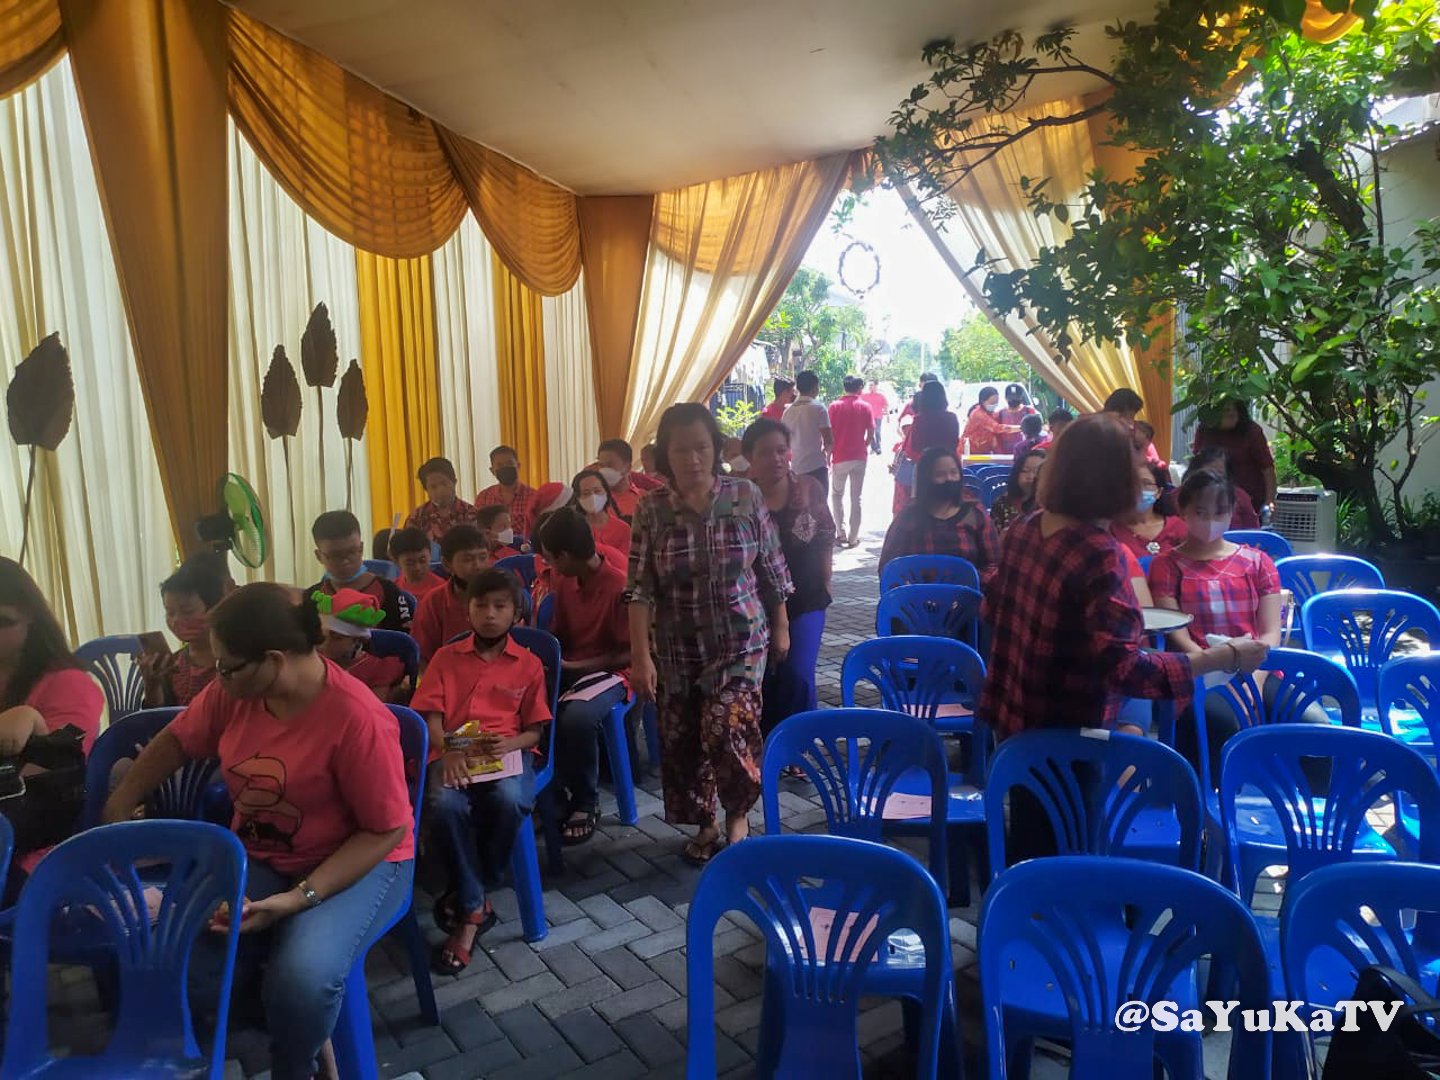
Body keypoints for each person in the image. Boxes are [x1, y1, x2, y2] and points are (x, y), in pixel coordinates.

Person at [104, 583, 414, 1080]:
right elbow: (178, 739)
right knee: (185, 964)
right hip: (265, 855)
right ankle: (304, 1032)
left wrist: (295, 900)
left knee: (303, 980)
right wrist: (121, 799)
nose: (217, 677)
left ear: (273, 660)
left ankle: (295, 1064)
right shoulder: (236, 693)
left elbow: (385, 829)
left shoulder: (358, 719)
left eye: (227, 667)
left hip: (363, 863)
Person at [979, 415, 1268, 862]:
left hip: (1018, 725)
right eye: (1134, 468)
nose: (1143, 478)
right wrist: (1223, 656)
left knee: (1031, 848)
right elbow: (1125, 667)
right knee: (1072, 854)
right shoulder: (1098, 552)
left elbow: (997, 611)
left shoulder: (1027, 527)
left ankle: (1019, 904)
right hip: (1071, 737)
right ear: (1110, 479)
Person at [627, 403, 793, 865]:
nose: (693, 459)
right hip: (676, 649)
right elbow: (639, 588)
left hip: (741, 642)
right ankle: (705, 822)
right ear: (666, 455)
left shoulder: (744, 495)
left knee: (725, 724)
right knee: (682, 739)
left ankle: (738, 814)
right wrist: (640, 657)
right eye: (681, 450)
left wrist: (781, 625)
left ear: (716, 448)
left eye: (701, 447)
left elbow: (772, 567)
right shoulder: (651, 509)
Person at [413, 568, 549, 972]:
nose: (490, 614)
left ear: (516, 614)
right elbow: (431, 718)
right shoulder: (445, 658)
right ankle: (475, 906)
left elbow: (535, 731)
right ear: (467, 609)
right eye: (481, 605)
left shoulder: (529, 664)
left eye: (500, 606)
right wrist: (449, 749)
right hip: (452, 749)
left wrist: (511, 744)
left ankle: (472, 887)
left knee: (510, 799)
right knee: (444, 804)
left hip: (506, 751)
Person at [1148, 468, 1301, 778]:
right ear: (1183, 511)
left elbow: (1270, 633)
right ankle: (1216, 800)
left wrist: (1254, 679)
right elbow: (1178, 636)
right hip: (1199, 673)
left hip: (1259, 668)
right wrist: (1212, 664)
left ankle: (1316, 801)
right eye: (1200, 512)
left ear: (1232, 512)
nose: (1210, 520)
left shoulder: (1258, 562)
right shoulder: (1166, 564)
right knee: (1226, 725)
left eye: (1219, 512)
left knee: (1312, 724)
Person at [537, 510, 631, 846]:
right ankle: (551, 791)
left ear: (564, 556)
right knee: (527, 703)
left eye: (550, 558)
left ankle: (586, 801)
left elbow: (630, 653)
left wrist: (577, 667)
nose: (549, 565)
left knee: (576, 717)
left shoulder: (619, 585)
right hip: (574, 667)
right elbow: (558, 635)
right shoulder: (565, 583)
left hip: (615, 673)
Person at [741, 419, 835, 735]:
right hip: (754, 604)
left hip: (806, 597)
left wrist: (826, 577)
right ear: (750, 457)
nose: (777, 459)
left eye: (782, 451)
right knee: (764, 676)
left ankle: (800, 742)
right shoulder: (738, 498)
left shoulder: (808, 489)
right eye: (766, 453)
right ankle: (770, 742)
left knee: (798, 672)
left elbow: (826, 533)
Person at [879, 446, 1000, 575]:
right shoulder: (909, 517)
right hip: (919, 588)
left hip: (969, 588)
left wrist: (974, 581)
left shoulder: (975, 515)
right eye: (940, 474)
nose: (949, 479)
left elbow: (994, 564)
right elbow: (888, 567)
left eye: (954, 472)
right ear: (926, 479)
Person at [141, 552, 230, 707]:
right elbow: (156, 715)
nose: (176, 620)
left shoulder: (234, 662)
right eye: (170, 612)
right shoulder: (173, 665)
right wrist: (152, 684)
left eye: (187, 611)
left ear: (215, 609)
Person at [308, 511, 413, 633]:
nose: (345, 561)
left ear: (361, 548)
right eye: (335, 556)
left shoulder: (389, 592)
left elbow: (403, 640)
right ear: (319, 556)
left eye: (351, 552)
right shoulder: (311, 598)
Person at [412, 525, 491, 662]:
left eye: (483, 557)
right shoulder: (433, 603)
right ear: (447, 564)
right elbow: (422, 658)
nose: (478, 566)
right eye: (468, 559)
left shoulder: (503, 599)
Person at [314, 588, 407, 703]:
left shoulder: (377, 669)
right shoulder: (314, 661)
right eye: (323, 635)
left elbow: (375, 707)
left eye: (337, 638)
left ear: (358, 641)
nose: (326, 643)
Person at [1192, 398, 1276, 515]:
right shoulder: (1204, 430)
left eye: (1234, 409)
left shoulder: (1252, 431)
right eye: (1225, 410)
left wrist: (1269, 501)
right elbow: (1196, 464)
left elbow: (1267, 468)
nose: (1231, 413)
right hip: (1210, 501)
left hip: (1250, 503)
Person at [894, 379, 959, 515]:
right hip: (949, 465)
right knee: (948, 503)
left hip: (926, 467)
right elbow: (955, 443)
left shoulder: (920, 420)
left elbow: (915, 447)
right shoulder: (952, 418)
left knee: (923, 506)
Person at [828, 375, 875, 548]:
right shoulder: (865, 406)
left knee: (837, 495)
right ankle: (853, 538)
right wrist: (864, 444)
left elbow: (828, 432)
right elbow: (871, 432)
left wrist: (828, 453)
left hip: (840, 457)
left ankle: (841, 534)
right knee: (856, 498)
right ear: (859, 388)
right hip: (859, 457)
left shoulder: (834, 406)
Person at [1111, 463, 1188, 559]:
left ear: (1158, 492)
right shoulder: (1112, 528)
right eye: (1132, 483)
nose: (1138, 489)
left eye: (1146, 483)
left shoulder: (1177, 527)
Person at [405, 457, 477, 544]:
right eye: (433, 487)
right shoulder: (416, 518)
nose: (440, 490)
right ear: (426, 489)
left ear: (454, 482)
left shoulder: (472, 514)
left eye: (444, 483)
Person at [782, 369, 832, 491]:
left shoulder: (787, 412)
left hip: (796, 468)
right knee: (819, 501)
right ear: (815, 387)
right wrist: (828, 457)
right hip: (817, 466)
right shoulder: (819, 408)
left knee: (800, 502)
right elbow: (828, 440)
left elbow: (784, 441)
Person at [1189, 447, 1261, 528]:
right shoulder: (1182, 495)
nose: (1212, 479)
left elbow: (1254, 531)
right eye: (1207, 474)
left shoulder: (1240, 497)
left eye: (1218, 474)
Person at [475, 445, 536, 536]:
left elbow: (537, 531)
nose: (505, 468)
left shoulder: (533, 497)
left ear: (518, 466)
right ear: (492, 470)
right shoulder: (484, 498)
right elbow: (478, 530)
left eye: (509, 463)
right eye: (500, 465)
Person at [596, 438, 661, 519]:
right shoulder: (594, 500)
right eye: (601, 465)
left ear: (627, 468)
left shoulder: (645, 501)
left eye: (610, 465)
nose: (604, 471)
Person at [572, 469, 633, 555]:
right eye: (586, 493)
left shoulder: (623, 529)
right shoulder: (574, 529)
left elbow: (624, 561)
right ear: (578, 498)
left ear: (606, 493)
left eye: (597, 491)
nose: (593, 497)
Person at [989, 449, 1046, 534]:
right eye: (1025, 471)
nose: (1031, 476)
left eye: (1037, 471)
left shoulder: (1050, 507)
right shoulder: (1001, 504)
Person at [388, 526, 446, 600]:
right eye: (410, 563)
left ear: (430, 555)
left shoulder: (442, 589)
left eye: (423, 560)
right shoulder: (394, 589)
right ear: (396, 562)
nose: (417, 567)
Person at [960, 386, 1021, 455]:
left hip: (982, 451)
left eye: (996, 402)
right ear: (983, 401)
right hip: (968, 451)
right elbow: (997, 428)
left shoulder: (991, 414)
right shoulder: (978, 414)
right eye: (992, 402)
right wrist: (1022, 428)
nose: (994, 405)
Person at [995, 383, 1039, 454]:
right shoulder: (999, 414)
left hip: (1025, 453)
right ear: (1005, 398)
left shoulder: (1029, 411)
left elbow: (1036, 434)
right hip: (1005, 455)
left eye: (1016, 398)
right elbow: (996, 437)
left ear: (1021, 398)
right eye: (1011, 398)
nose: (1013, 400)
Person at [860, 379, 890, 454]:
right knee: (871, 433)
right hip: (869, 417)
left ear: (876, 386)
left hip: (878, 417)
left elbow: (885, 405)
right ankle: (874, 448)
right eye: (869, 385)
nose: (870, 387)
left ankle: (878, 447)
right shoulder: (865, 396)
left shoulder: (881, 396)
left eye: (871, 385)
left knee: (877, 431)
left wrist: (888, 416)